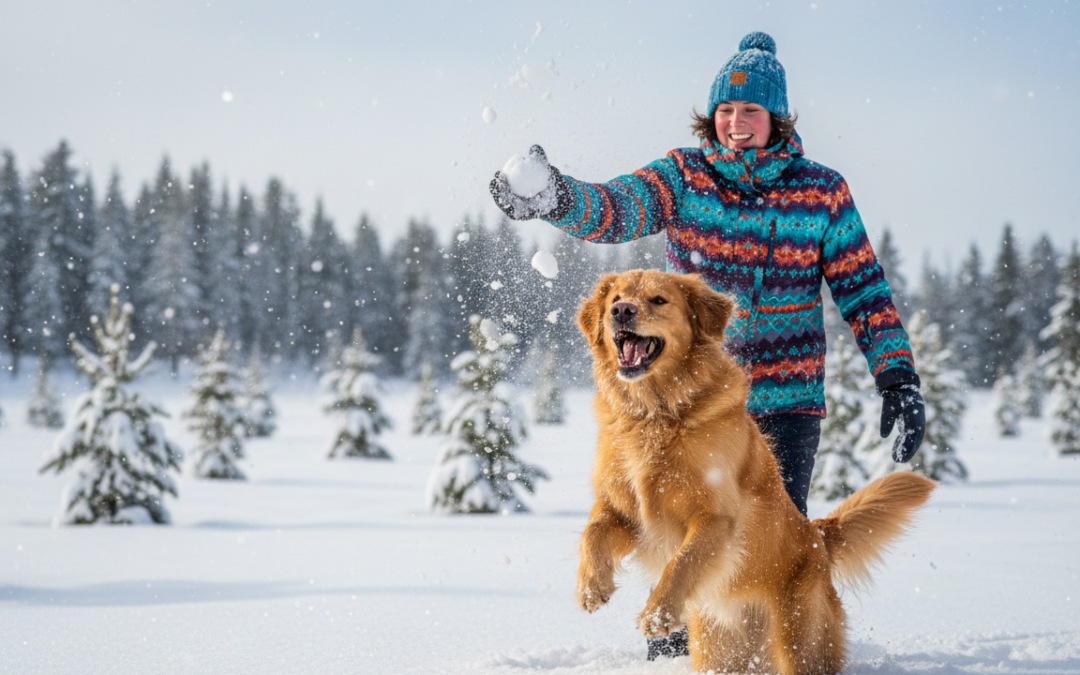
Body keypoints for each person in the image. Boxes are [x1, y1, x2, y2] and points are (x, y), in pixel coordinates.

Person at [490, 32, 926, 659]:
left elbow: (863, 290)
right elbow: (616, 208)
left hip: (781, 407)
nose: (736, 122)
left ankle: (772, 659)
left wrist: (897, 377)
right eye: (726, 109)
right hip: (681, 404)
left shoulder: (821, 191)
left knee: (765, 562)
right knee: (676, 549)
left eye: (750, 111)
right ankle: (677, 658)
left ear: (776, 118)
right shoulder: (684, 176)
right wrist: (556, 197)